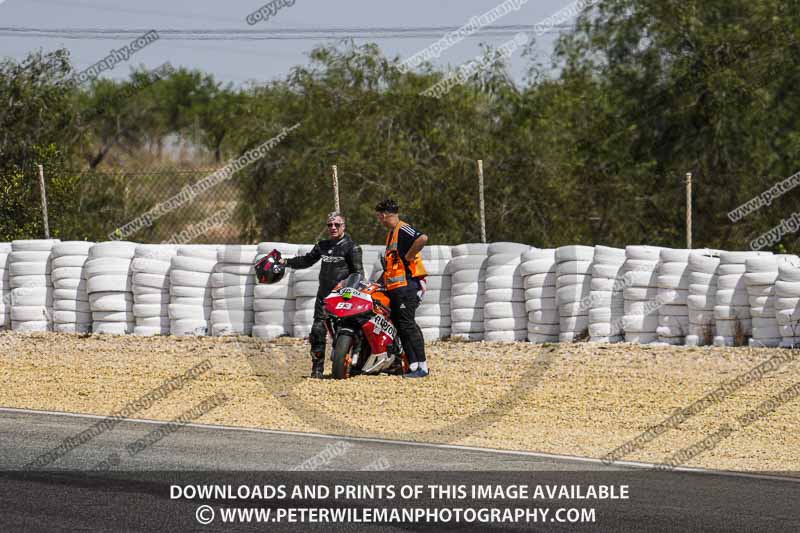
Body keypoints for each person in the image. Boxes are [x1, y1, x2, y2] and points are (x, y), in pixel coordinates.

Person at [280, 212, 363, 378]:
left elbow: (358, 273)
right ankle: (317, 370)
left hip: (342, 296)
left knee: (342, 331)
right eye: (330, 225)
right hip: (323, 296)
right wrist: (286, 262)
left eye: (337, 225)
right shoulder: (322, 245)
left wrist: (345, 286)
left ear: (343, 227)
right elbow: (306, 260)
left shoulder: (352, 247)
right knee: (317, 331)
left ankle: (349, 364)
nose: (333, 228)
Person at [374, 198, 430, 378]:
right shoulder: (391, 235)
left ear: (383, 215)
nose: (379, 220)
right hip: (395, 288)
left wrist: (409, 256)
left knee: (408, 324)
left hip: (407, 287)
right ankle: (412, 365)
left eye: (378, 217)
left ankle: (423, 366)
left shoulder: (402, 228)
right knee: (400, 325)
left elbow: (422, 238)